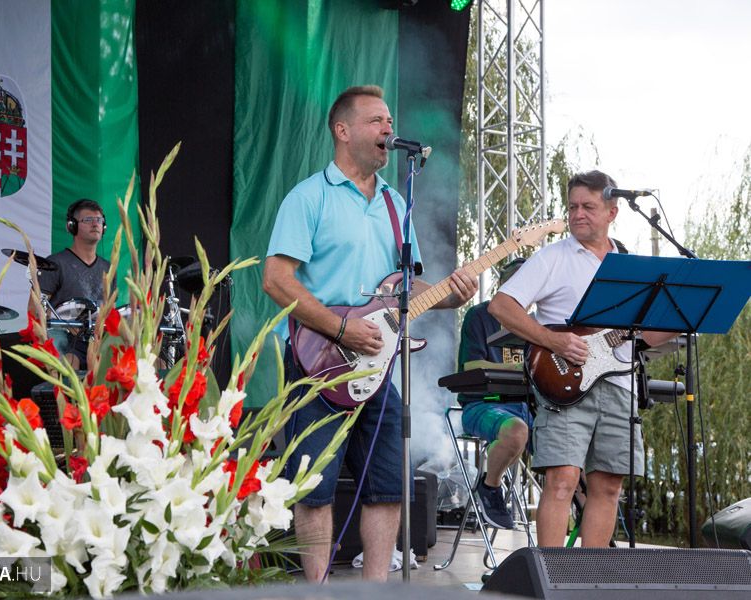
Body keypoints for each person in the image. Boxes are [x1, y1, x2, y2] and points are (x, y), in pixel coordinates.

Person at [262, 85, 479, 582]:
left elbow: (405, 288)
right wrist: (342, 328)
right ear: (343, 131)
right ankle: (317, 592)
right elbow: (276, 279)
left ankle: (376, 590)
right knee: (313, 488)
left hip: (377, 365)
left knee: (388, 484)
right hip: (318, 362)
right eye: (377, 121)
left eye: (390, 121)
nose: (389, 129)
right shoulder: (309, 197)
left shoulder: (395, 203)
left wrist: (451, 294)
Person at [487, 170, 674, 547]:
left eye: (588, 206)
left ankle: (592, 575)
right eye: (572, 207)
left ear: (612, 212)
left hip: (620, 385)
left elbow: (644, 338)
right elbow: (501, 306)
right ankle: (551, 574)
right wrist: (553, 341)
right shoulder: (552, 258)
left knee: (608, 487)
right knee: (562, 480)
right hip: (563, 383)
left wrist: (682, 320)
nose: (577, 214)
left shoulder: (630, 264)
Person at [457, 257, 531, 529]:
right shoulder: (480, 315)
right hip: (482, 404)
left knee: (571, 450)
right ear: (502, 286)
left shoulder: (536, 323)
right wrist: (517, 370)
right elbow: (471, 366)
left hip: (529, 406)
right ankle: (490, 486)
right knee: (516, 430)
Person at [35, 198, 111, 369]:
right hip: (64, 335)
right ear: (72, 226)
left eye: (99, 220)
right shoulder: (55, 263)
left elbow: (109, 310)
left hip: (96, 337)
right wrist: (67, 323)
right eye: (88, 219)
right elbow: (35, 309)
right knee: (69, 360)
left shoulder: (108, 268)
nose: (95, 224)